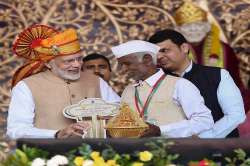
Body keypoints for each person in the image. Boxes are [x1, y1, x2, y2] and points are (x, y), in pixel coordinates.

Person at [7, 25, 120, 139]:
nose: (77, 64)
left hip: (96, 155)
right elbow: (16, 130)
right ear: (48, 63)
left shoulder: (96, 81)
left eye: (79, 58)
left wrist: (111, 122)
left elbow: (121, 113)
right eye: (68, 61)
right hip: (48, 155)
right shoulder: (26, 86)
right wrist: (56, 134)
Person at [148, 29, 246, 138]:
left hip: (220, 148)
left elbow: (236, 115)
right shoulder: (154, 82)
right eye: (155, 53)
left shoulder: (218, 75)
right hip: (171, 150)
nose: (159, 57)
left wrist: (205, 138)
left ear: (184, 48)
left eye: (164, 50)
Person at [111, 40, 214, 138]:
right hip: (135, 153)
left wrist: (161, 130)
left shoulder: (180, 84)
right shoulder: (128, 90)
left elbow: (204, 121)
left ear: (147, 59)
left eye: (127, 64)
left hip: (173, 153)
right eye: (121, 65)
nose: (123, 69)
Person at [173, 1, 242, 88]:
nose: (193, 29)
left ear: (207, 27)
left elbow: (236, 84)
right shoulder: (171, 52)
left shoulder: (225, 50)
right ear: (178, 30)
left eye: (198, 25)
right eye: (187, 26)